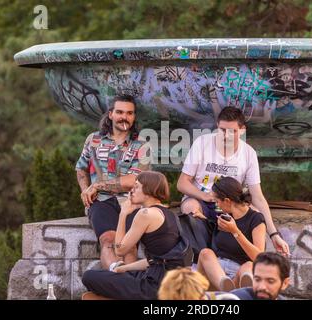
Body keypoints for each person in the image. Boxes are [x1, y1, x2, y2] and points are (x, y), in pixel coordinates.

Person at [177, 106, 289, 255]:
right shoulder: (202, 143)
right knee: (190, 207)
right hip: (201, 199)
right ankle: (198, 258)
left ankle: (249, 263)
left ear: (242, 130)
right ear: (217, 126)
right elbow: (182, 183)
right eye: (223, 130)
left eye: (233, 131)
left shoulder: (248, 153)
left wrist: (274, 234)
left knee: (255, 214)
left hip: (230, 205)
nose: (227, 136)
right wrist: (204, 196)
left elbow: (257, 197)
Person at [82, 171, 193, 300]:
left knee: (89, 276)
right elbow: (156, 261)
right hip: (169, 281)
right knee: (120, 274)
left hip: (156, 286)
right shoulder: (169, 214)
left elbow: (119, 250)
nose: (131, 191)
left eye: (136, 187)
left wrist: (123, 214)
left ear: (148, 190)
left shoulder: (145, 214)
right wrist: (123, 269)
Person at [75, 94, 150, 270]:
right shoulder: (93, 140)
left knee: (129, 245)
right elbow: (81, 168)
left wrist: (97, 185)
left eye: (130, 113)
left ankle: (129, 286)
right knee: (108, 240)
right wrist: (85, 190)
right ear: (111, 114)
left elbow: (133, 180)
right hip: (101, 201)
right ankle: (116, 278)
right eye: (120, 112)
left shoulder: (141, 145)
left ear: (134, 117)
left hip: (131, 202)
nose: (125, 117)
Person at [197, 176, 266, 291]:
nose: (216, 205)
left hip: (238, 274)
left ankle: (232, 291)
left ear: (227, 201)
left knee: (249, 266)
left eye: (217, 201)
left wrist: (235, 231)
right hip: (217, 273)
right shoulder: (224, 216)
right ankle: (225, 286)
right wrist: (203, 218)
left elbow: (259, 258)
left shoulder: (256, 219)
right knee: (205, 253)